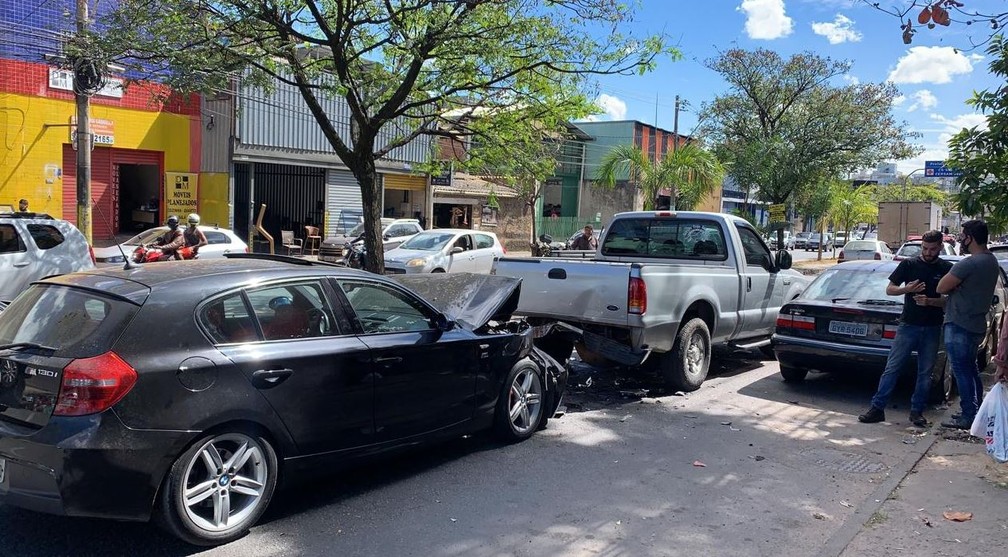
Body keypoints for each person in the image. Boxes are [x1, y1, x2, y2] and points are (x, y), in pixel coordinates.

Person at [858, 230, 953, 427]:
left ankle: (917, 411)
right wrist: (906, 290)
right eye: (925, 249)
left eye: (932, 249)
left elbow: (950, 302)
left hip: (932, 326)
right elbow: (890, 289)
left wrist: (930, 301)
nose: (928, 253)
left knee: (925, 372)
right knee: (892, 367)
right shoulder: (909, 264)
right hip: (908, 324)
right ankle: (877, 408)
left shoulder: (946, 269)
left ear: (940, 247)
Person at [937, 219, 1002, 429]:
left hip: (959, 323)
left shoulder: (970, 263)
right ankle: (976, 410)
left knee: (961, 370)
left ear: (970, 238)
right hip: (976, 323)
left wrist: (955, 287)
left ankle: (968, 414)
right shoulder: (991, 261)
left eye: (963, 235)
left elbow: (941, 286)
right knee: (971, 368)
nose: (961, 239)